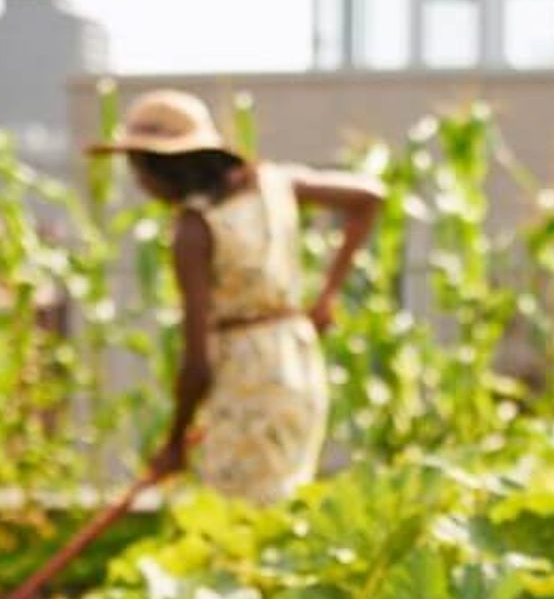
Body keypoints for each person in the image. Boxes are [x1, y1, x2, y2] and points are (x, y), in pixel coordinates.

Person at [88, 89, 383, 503]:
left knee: (235, 523)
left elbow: (198, 362)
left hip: (245, 380)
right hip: (296, 361)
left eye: (139, 169)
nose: (140, 183)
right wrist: (325, 297)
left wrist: (173, 443)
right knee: (280, 509)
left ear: (164, 167)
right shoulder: (274, 183)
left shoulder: (196, 229)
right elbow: (369, 196)